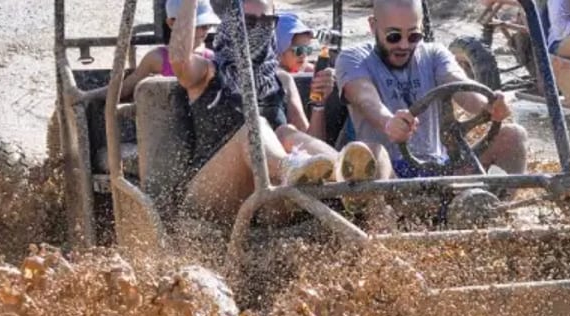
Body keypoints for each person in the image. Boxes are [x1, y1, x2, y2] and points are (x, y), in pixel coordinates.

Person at [169, 0, 389, 224]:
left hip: (269, 194)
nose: (258, 29)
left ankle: (345, 175)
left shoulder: (281, 81)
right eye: (249, 22)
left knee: (286, 132)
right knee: (256, 129)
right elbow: (178, 60)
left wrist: (319, 104)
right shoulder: (207, 72)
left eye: (267, 21)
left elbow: (312, 145)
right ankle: (289, 167)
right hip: (211, 194)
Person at [336, 0, 527, 183]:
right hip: (389, 172)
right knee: (371, 152)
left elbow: (459, 84)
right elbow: (365, 98)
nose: (404, 45)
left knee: (513, 135)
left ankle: (498, 209)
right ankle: (384, 215)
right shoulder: (353, 58)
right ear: (373, 25)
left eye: (413, 36)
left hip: (439, 167)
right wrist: (388, 123)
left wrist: (490, 106)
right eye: (394, 36)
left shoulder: (434, 54)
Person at [85, 0, 221, 101]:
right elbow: (126, 88)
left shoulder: (211, 59)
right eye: (198, 25)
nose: (205, 31)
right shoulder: (157, 58)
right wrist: (89, 96)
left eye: (207, 26)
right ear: (172, 23)